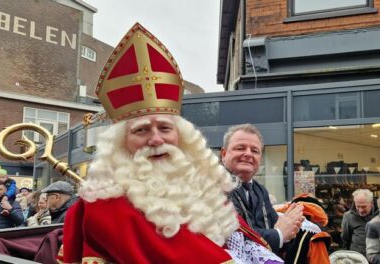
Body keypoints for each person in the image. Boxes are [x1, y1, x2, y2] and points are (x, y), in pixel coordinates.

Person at [58, 23, 283, 264]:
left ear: (182, 137)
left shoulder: (197, 187)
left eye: (165, 128)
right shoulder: (106, 205)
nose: (156, 139)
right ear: (121, 143)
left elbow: (240, 237)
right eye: (142, 130)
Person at [221, 123, 304, 256]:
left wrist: (291, 229)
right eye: (240, 148)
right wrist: (279, 234)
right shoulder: (214, 186)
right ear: (224, 154)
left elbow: (279, 228)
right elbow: (236, 236)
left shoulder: (260, 190)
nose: (248, 154)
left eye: (255, 151)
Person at [341, 189, 378, 256]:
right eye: (358, 206)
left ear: (371, 203)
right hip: (358, 258)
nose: (360, 210)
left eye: (364, 207)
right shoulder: (348, 216)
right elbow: (345, 238)